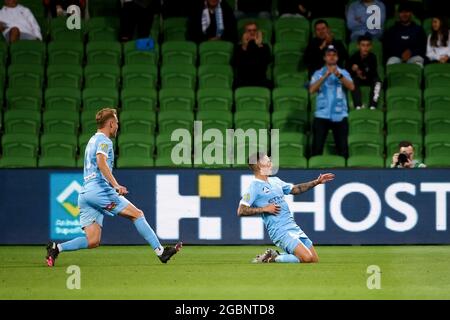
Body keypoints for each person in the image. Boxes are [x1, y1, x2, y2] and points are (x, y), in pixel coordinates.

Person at [45, 108, 182, 267]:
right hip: (99, 189)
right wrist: (115, 184)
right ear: (110, 123)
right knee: (137, 214)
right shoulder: (105, 141)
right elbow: (101, 162)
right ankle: (161, 252)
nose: (117, 126)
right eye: (116, 122)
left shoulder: (92, 140)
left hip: (85, 193)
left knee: (93, 240)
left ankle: (56, 248)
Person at [237, 152, 335, 263]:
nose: (271, 164)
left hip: (293, 226)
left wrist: (316, 182)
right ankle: (273, 258)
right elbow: (241, 210)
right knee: (307, 258)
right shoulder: (254, 187)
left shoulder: (275, 181)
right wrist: (264, 209)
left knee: (314, 259)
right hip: (280, 230)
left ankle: (274, 255)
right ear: (260, 165)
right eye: (268, 161)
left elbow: (296, 189)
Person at [309, 45, 355, 158]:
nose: (331, 57)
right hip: (322, 115)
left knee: (343, 150)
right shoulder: (318, 73)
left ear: (337, 58)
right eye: (329, 55)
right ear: (324, 58)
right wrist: (326, 75)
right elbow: (311, 90)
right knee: (317, 148)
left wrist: (338, 75)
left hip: (340, 114)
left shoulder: (343, 72)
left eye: (334, 55)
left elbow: (352, 87)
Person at [384, 2, 427, 66]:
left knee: (419, 64)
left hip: (414, 56)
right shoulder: (392, 30)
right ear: (398, 14)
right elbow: (388, 47)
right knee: (390, 64)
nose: (404, 14)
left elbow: (422, 47)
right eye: (401, 12)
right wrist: (400, 54)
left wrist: (411, 52)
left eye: (407, 12)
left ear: (411, 13)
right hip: (396, 56)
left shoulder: (418, 29)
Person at [347, 34, 382, 110]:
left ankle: (373, 106)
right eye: (363, 45)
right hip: (357, 79)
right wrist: (353, 70)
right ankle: (358, 106)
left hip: (369, 78)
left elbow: (373, 72)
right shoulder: (354, 57)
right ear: (358, 46)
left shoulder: (373, 57)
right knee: (352, 81)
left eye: (367, 45)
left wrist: (362, 73)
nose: (365, 48)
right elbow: (348, 71)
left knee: (378, 82)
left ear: (371, 47)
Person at [234, 22, 272, 88]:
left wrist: (259, 45)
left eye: (254, 30)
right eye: (249, 30)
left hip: (260, 80)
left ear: (257, 32)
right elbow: (237, 63)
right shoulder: (239, 48)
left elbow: (266, 62)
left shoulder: (264, 47)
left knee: (269, 84)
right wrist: (244, 46)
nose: (252, 33)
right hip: (243, 80)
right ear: (244, 33)